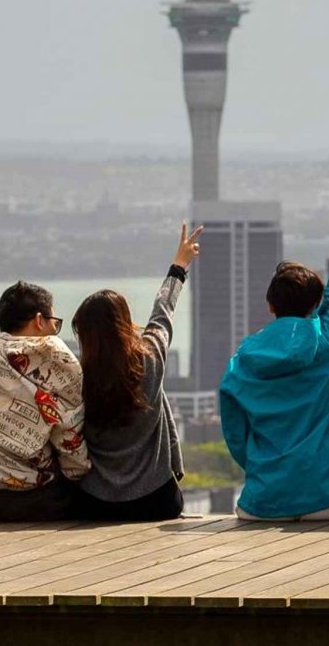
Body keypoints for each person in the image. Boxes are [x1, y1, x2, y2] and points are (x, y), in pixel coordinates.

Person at [219, 169, 329, 521]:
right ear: (315, 305)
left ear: (271, 305)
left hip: (264, 502)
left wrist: (262, 467)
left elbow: (235, 432)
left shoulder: (242, 361)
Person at [0, 217, 90, 521]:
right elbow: (70, 440)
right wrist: (82, 479)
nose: (55, 329)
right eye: (54, 322)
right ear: (40, 320)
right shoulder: (55, 355)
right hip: (35, 498)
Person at [69, 222, 204, 522]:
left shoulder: (76, 379)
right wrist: (179, 266)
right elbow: (162, 310)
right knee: (160, 397)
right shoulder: (151, 357)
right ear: (124, 324)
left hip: (94, 503)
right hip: (157, 500)